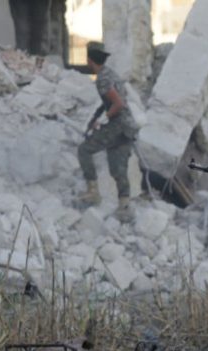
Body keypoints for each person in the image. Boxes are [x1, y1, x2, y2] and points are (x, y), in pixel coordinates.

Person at [76, 42, 139, 220]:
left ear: (89, 60)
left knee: (84, 150)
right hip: (128, 126)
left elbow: (118, 103)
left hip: (118, 124)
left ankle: (93, 192)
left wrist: (102, 120)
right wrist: (94, 119)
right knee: (117, 167)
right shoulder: (111, 73)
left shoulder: (102, 79)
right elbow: (109, 103)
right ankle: (124, 205)